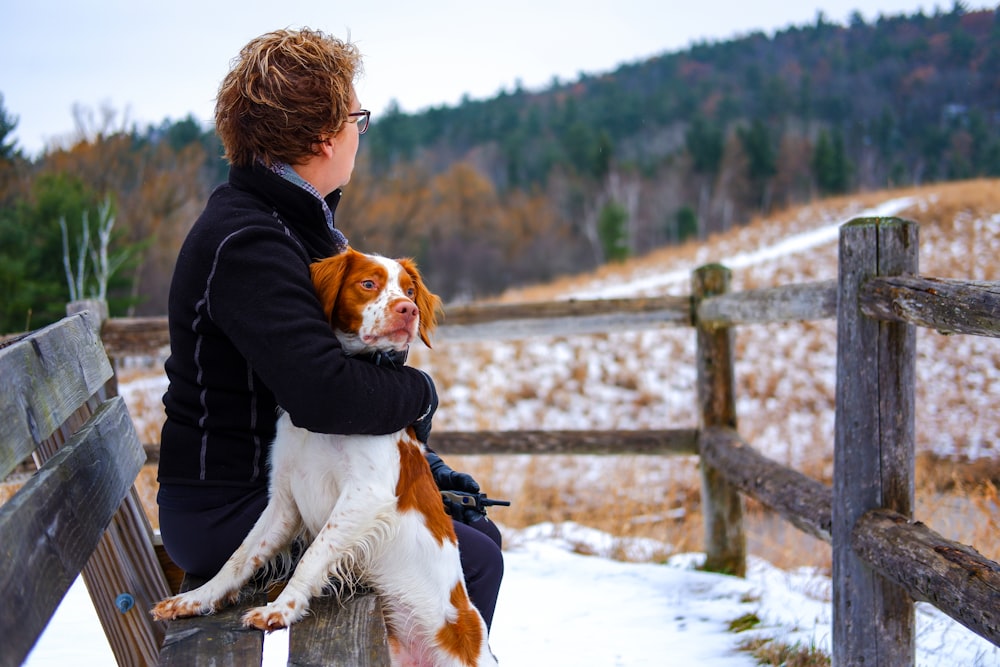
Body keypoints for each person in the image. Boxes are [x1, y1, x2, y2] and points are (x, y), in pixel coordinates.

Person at [156, 28, 503, 630]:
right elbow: (325, 394)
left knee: (472, 529)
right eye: (355, 119)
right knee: (470, 561)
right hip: (230, 506)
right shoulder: (251, 242)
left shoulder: (288, 225)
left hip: (286, 482)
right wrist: (421, 396)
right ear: (322, 137)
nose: (357, 135)